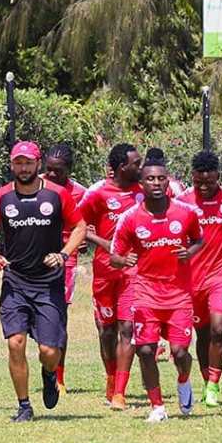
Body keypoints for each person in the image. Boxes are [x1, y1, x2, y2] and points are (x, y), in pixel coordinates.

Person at [0, 141, 86, 422]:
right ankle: (24, 406)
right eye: (18, 163)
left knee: (49, 352)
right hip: (15, 282)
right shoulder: (2, 196)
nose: (23, 168)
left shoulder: (57, 195)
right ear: (11, 164)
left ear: (38, 164)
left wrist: (63, 254)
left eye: (28, 163)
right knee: (15, 342)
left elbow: (80, 227)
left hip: (49, 284)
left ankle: (49, 374)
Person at [111, 158, 204, 422]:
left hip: (179, 295)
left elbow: (199, 239)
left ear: (167, 182)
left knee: (180, 352)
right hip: (145, 294)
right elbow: (114, 256)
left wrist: (190, 252)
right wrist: (123, 260)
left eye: (161, 178)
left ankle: (184, 380)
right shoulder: (130, 218)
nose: (156, 183)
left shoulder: (185, 213)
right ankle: (158, 407)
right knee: (145, 350)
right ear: (141, 183)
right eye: (150, 179)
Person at [177, 150, 222, 407]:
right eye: (198, 182)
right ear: (192, 177)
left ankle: (214, 385)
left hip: (221, 276)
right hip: (191, 280)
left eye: (209, 182)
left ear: (218, 176)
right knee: (203, 334)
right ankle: (207, 381)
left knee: (218, 329)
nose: (203, 186)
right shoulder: (182, 201)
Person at [78, 144, 143, 408]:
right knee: (107, 330)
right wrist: (105, 243)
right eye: (136, 163)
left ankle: (119, 392)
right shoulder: (98, 193)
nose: (140, 167)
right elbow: (77, 225)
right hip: (105, 272)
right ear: (121, 167)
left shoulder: (145, 191)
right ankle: (110, 376)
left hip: (134, 272)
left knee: (128, 328)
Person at [42, 143, 87, 394]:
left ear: (69, 169)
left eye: (57, 170)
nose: (51, 174)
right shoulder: (33, 185)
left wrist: (79, 243)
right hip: (34, 258)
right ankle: (46, 361)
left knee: (59, 318)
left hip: (64, 259)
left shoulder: (79, 193)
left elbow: (84, 226)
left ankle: (58, 376)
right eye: (48, 169)